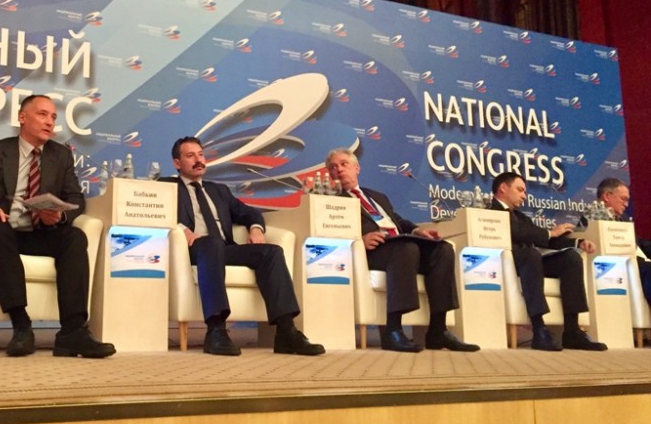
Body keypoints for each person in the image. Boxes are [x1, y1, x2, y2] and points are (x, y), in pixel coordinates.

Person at [0, 94, 115, 358]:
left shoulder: (61, 155)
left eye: (53, 117)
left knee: (75, 238)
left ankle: (72, 332)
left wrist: (58, 216)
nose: (49, 122)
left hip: (37, 233)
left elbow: (75, 199)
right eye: (42, 114)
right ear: (22, 118)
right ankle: (21, 326)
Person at [165, 136, 324, 356]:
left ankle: (286, 332)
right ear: (177, 163)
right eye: (190, 156)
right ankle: (216, 330)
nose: (198, 160)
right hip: (193, 249)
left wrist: (256, 229)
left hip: (224, 248)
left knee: (271, 252)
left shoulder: (219, 190)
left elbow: (249, 213)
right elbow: (157, 211)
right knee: (212, 244)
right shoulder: (168, 186)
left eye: (200, 155)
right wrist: (181, 228)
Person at [325, 148, 479, 353]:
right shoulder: (331, 199)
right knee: (407, 248)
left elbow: (397, 221)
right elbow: (329, 227)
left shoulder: (377, 197)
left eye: (344, 164)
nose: (339, 169)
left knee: (442, 249)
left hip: (400, 244)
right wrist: (358, 239)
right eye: (333, 167)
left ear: (357, 168)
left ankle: (438, 330)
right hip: (373, 251)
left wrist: (417, 230)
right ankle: (393, 330)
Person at [490, 171, 606, 351]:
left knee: (571, 258)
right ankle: (539, 329)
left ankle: (572, 331)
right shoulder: (489, 210)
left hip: (531, 262)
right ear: (503, 188)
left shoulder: (521, 217)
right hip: (507, 263)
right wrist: (550, 232)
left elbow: (544, 239)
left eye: (525, 191)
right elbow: (517, 232)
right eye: (520, 190)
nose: (524, 196)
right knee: (531, 254)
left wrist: (578, 242)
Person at [591, 178, 651, 307]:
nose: (626, 205)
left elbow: (639, 243)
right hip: (614, 263)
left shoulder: (622, 218)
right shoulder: (593, 216)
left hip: (632, 259)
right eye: (623, 199)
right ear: (607, 196)